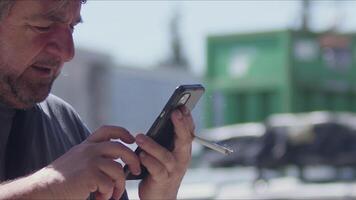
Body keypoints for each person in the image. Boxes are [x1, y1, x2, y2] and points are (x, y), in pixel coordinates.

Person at [0, 0, 195, 199]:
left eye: (72, 27)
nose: (68, 52)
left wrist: (161, 193)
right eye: (43, 27)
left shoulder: (65, 123)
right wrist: (50, 187)